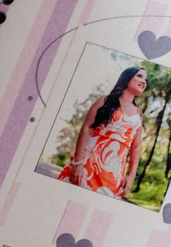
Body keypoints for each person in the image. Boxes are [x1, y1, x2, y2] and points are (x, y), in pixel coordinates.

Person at [58, 66, 145, 199]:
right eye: (140, 76)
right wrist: (78, 163)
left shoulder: (138, 114)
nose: (144, 81)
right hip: (87, 164)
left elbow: (136, 147)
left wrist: (131, 176)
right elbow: (86, 128)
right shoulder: (105, 101)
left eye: (145, 79)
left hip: (113, 174)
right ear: (127, 77)